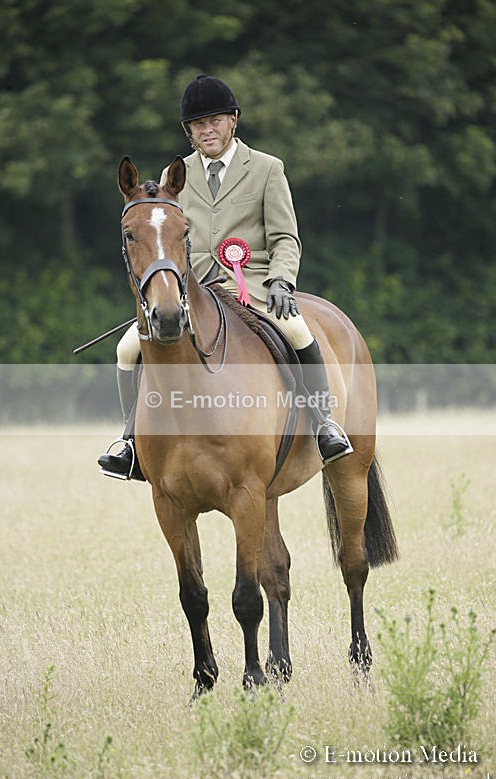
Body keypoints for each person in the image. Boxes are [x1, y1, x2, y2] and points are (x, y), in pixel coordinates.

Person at [98, 74, 352, 480]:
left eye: (215, 120)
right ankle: (132, 441)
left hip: (254, 286)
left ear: (233, 121)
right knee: (128, 349)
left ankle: (325, 425)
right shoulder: (174, 175)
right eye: (198, 124)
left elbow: (285, 236)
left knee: (299, 331)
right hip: (193, 290)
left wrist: (282, 281)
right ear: (189, 131)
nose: (207, 129)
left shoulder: (267, 169)